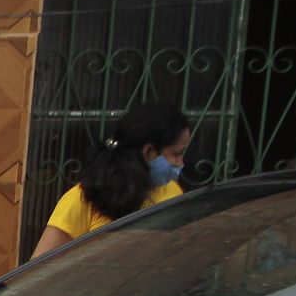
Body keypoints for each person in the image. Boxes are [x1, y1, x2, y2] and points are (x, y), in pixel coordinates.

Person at [30, 102, 191, 258]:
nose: (180, 163)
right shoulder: (83, 199)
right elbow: (41, 268)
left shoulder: (172, 193)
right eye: (176, 154)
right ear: (149, 151)